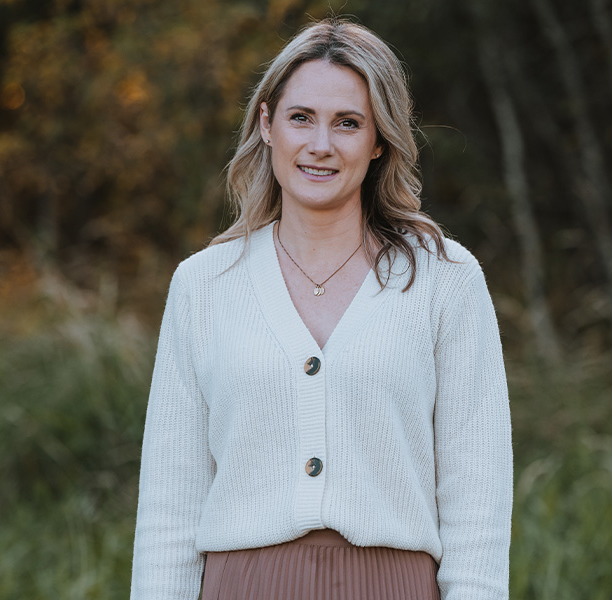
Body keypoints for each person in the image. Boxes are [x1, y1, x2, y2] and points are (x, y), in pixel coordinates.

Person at [130, 18, 512, 600]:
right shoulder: (203, 285)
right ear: (266, 123)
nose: (320, 145)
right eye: (301, 117)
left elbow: (477, 504)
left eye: (348, 123)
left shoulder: (445, 280)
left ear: (379, 139)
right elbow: (169, 512)